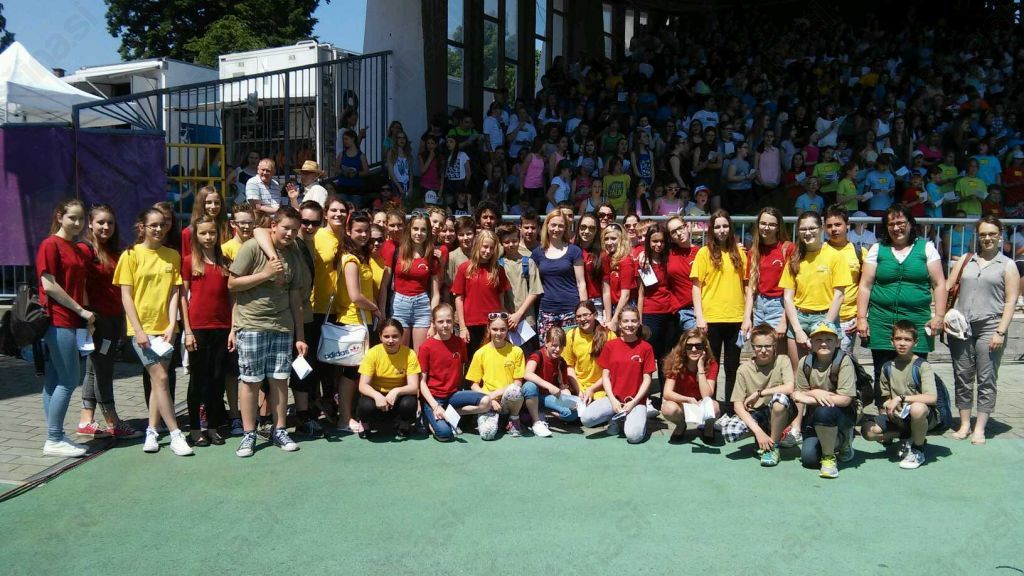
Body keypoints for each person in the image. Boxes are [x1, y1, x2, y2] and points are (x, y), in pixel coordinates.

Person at [227, 207, 308, 457]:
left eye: (294, 230)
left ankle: (280, 429)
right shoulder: (252, 247)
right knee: (250, 381)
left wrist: (300, 336)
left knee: (280, 379)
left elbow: (295, 298)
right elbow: (232, 283)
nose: (290, 233)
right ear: (274, 226)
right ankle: (249, 433)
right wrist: (265, 274)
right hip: (252, 324)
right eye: (285, 228)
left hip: (282, 326)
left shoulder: (293, 254)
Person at [113, 208, 192, 456]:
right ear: (142, 227)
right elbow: (126, 296)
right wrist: (138, 330)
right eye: (153, 225)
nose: (158, 229)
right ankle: (176, 434)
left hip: (166, 331)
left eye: (162, 225)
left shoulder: (172, 255)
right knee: (161, 379)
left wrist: (171, 325)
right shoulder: (130, 255)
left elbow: (174, 292)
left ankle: (151, 430)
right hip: (142, 331)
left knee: (158, 382)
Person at [857, 205, 947, 396]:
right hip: (881, 321)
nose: (896, 228)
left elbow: (939, 284)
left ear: (910, 224)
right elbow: (865, 285)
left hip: (917, 321)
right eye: (891, 224)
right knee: (882, 372)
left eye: (901, 223)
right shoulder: (877, 249)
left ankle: (915, 411)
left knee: (915, 373)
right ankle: (884, 411)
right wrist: (861, 318)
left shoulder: (927, 248)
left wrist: (939, 316)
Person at [946, 215, 1020, 444]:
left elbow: (1010, 301)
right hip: (961, 327)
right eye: (983, 234)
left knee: (986, 377)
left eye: (992, 234)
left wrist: (1000, 331)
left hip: (990, 325)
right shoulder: (966, 260)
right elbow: (947, 287)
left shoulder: (1007, 265)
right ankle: (965, 423)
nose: (988, 238)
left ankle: (980, 427)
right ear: (977, 237)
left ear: (1000, 236)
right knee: (962, 375)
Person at [75, 204, 140, 440]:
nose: (106, 227)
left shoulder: (113, 251)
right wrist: (87, 316)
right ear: (90, 223)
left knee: (94, 369)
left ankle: (86, 420)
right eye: (101, 222)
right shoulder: (84, 250)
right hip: (97, 321)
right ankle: (113, 421)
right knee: (102, 370)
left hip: (113, 319)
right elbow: (79, 285)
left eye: (110, 223)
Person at [35, 199, 94, 457]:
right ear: (60, 217)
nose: (78, 223)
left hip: (72, 321)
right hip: (59, 320)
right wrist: (81, 310)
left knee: (54, 379)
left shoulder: (75, 248)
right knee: (69, 380)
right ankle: (54, 438)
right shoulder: (50, 244)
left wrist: (84, 315)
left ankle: (55, 435)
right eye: (72, 217)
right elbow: (49, 285)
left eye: (81, 218)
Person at [180, 216, 231, 447]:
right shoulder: (189, 262)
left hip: (222, 327)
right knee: (198, 379)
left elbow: (231, 297)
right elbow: (183, 298)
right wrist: (188, 330)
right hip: (198, 328)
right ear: (196, 236)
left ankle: (212, 427)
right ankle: (194, 429)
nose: (208, 237)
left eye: (212, 232)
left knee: (217, 378)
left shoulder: (225, 262)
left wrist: (233, 329)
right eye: (203, 233)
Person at [861, 321, 939, 469]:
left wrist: (901, 398)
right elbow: (885, 398)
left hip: (922, 415)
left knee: (917, 408)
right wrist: (888, 406)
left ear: (915, 342)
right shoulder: (887, 367)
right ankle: (907, 436)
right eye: (898, 339)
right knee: (868, 431)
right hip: (898, 417)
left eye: (907, 339)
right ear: (892, 341)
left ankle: (918, 449)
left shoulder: (922, 366)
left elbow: (932, 398)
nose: (902, 343)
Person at [691, 210, 747, 414]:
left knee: (732, 366)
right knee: (711, 367)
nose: (722, 230)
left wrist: (747, 317)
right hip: (711, 318)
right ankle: (711, 408)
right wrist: (699, 316)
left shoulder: (739, 253)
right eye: (717, 227)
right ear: (711, 230)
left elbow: (747, 286)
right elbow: (696, 287)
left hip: (736, 318)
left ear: (730, 228)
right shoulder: (703, 253)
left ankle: (731, 409)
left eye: (725, 226)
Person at [334, 212, 385, 434]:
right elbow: (355, 296)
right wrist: (376, 309)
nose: (363, 235)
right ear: (348, 231)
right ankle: (344, 419)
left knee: (357, 372)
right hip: (352, 323)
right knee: (351, 373)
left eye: (366, 231)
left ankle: (352, 415)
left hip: (362, 323)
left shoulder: (360, 256)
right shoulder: (351, 259)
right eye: (359, 231)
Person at [780, 211, 851, 363]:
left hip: (826, 317)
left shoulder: (836, 256)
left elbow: (839, 295)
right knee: (798, 370)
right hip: (798, 318)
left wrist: (824, 326)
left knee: (827, 371)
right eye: (803, 229)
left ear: (821, 228)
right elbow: (787, 297)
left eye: (812, 228)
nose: (807, 233)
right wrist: (798, 330)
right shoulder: (794, 258)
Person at [722, 324, 797, 467]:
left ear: (775, 346)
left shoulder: (783, 360)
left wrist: (759, 393)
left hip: (780, 411)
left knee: (779, 400)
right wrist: (757, 432)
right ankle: (765, 436)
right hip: (757, 414)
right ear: (752, 346)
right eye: (759, 346)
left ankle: (772, 447)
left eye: (768, 346)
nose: (763, 350)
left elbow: (789, 388)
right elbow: (737, 405)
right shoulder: (743, 369)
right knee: (730, 431)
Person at [578, 305, 654, 444]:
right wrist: (613, 400)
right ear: (619, 324)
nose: (629, 325)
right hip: (614, 399)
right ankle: (617, 419)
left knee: (634, 437)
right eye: (625, 321)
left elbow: (647, 379)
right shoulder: (610, 346)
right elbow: (605, 376)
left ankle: (634, 418)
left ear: (639, 323)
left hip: (636, 402)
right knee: (586, 419)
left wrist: (634, 402)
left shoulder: (646, 348)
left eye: (633, 321)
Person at [417, 304, 491, 442]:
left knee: (486, 402)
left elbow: (461, 369)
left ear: (453, 321)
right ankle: (429, 418)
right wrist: (435, 406)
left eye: (448, 321)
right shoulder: (426, 347)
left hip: (453, 395)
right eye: (440, 321)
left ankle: (449, 414)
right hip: (434, 398)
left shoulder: (459, 343)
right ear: (433, 323)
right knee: (445, 434)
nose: (445, 325)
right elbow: (421, 382)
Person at [793, 322, 856, 479]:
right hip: (815, 416)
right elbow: (799, 393)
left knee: (824, 411)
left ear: (837, 342)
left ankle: (831, 455)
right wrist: (815, 392)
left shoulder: (844, 361)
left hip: (843, 413)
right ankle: (834, 442)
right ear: (811, 342)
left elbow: (845, 399)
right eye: (818, 339)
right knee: (808, 458)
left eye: (829, 339)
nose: (823, 343)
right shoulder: (805, 362)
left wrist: (811, 398)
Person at [356, 320, 421, 439]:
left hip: (398, 396)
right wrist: (377, 396)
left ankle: (403, 423)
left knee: (409, 403)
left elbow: (413, 387)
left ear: (401, 336)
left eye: (395, 336)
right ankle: (364, 423)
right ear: (380, 336)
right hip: (377, 394)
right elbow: (363, 385)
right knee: (366, 406)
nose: (390, 340)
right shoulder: (372, 353)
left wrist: (396, 391)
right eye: (386, 336)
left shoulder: (410, 354)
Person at [466, 314, 528, 439]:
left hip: (508, 399)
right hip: (488, 401)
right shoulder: (480, 353)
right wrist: (490, 399)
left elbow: (517, 382)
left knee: (515, 390)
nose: (498, 333)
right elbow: (474, 385)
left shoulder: (517, 351)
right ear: (488, 328)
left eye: (502, 329)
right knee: (487, 434)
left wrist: (496, 394)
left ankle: (513, 419)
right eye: (495, 329)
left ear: (507, 330)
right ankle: (499, 421)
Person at [742, 207, 793, 350]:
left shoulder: (788, 249)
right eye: (763, 223)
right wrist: (747, 318)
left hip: (779, 305)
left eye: (771, 224)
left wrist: (784, 320)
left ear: (778, 227)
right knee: (761, 352)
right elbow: (751, 288)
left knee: (779, 353)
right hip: (759, 306)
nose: (766, 228)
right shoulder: (753, 252)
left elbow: (792, 289)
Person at [532, 209, 587, 342]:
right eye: (553, 225)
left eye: (561, 226)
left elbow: (581, 283)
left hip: (570, 309)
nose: (556, 229)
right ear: (547, 226)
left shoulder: (574, 251)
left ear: (566, 228)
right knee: (548, 348)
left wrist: (583, 309)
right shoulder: (537, 253)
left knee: (570, 348)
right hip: (547, 310)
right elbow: (534, 285)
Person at [453, 230, 510, 355]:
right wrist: (462, 327)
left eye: (491, 248)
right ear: (477, 245)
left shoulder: (498, 270)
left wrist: (502, 320)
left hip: (493, 324)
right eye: (485, 246)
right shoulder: (464, 268)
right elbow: (459, 298)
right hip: (470, 324)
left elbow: (501, 298)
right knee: (473, 360)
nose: (488, 251)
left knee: (493, 358)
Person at [391, 214, 441, 351]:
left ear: (428, 232)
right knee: (400, 352)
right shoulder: (398, 252)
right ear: (409, 230)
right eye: (415, 229)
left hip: (422, 306)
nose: (419, 233)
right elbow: (385, 284)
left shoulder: (432, 257)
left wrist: (433, 321)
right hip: (399, 304)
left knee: (421, 353)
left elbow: (436, 293)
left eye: (423, 230)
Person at [660, 328, 720, 441]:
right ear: (683, 347)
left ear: (704, 347)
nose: (693, 349)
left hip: (701, 403)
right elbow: (667, 393)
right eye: (689, 346)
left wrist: (700, 368)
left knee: (714, 407)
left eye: (698, 346)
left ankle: (708, 427)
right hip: (682, 402)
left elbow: (707, 395)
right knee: (668, 408)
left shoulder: (711, 364)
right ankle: (681, 425)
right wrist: (688, 399)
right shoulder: (675, 362)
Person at [823, 206, 868, 354]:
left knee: (842, 362)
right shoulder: (819, 251)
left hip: (847, 319)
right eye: (829, 226)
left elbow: (866, 286)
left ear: (847, 225)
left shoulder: (860, 252)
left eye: (838, 224)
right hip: (822, 316)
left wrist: (861, 316)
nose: (833, 229)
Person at [496, 224, 542, 356]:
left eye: (514, 241)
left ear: (519, 239)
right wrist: (508, 316)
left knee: (528, 357)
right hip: (506, 321)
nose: (511, 244)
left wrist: (518, 315)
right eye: (507, 242)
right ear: (501, 243)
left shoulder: (528, 262)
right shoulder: (498, 265)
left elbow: (535, 291)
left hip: (527, 321)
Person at [523, 326, 575, 433]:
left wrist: (569, 400)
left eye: (561, 346)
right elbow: (527, 373)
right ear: (546, 343)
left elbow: (563, 388)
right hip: (534, 395)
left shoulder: (561, 362)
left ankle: (544, 411)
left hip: (548, 398)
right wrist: (549, 386)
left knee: (572, 414)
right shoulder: (538, 355)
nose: (558, 349)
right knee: (529, 386)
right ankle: (536, 420)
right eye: (554, 345)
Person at [600, 223, 635, 331]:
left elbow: (625, 295)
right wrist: (608, 319)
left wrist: (614, 320)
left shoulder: (626, 261)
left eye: (613, 238)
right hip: (611, 307)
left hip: (625, 307)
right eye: (606, 239)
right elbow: (606, 291)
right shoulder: (606, 259)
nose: (609, 242)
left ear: (621, 239)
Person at [335, 130, 370, 207]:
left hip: (356, 188)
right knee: (342, 208)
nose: (344, 141)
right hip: (343, 187)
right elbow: (336, 169)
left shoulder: (361, 156)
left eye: (346, 139)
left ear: (353, 138)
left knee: (356, 209)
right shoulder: (341, 155)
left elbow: (367, 172)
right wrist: (343, 172)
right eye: (343, 139)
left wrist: (356, 173)